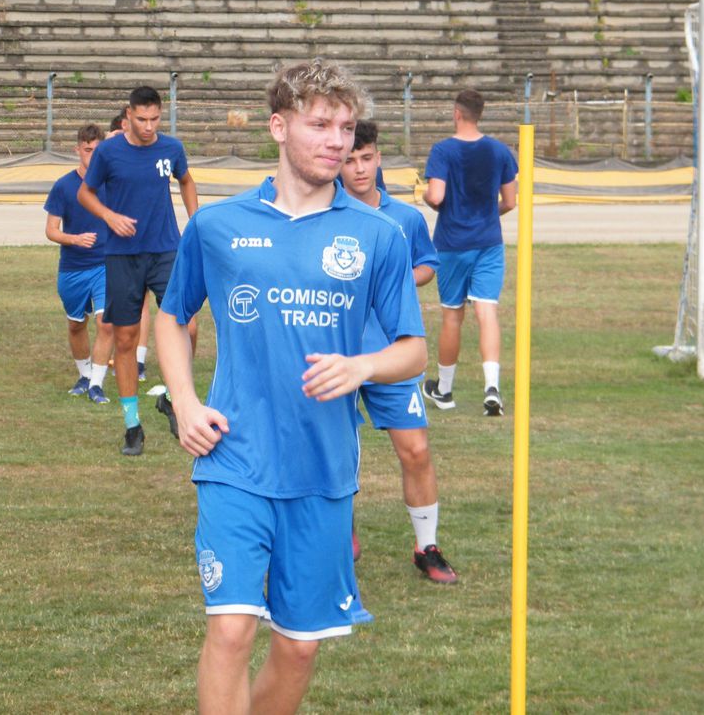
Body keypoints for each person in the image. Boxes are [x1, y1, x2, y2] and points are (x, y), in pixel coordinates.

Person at [155, 59, 426, 713]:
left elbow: (412, 349)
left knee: (300, 645)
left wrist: (362, 367)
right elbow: (171, 316)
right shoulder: (218, 226)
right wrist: (186, 400)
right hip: (234, 459)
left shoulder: (377, 236)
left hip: (323, 469)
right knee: (231, 627)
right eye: (320, 124)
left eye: (346, 127)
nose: (336, 140)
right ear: (279, 126)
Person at [339, 119, 458, 583]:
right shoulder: (326, 214)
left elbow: (427, 264)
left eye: (366, 158)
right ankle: (341, 533)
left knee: (416, 450)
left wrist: (395, 284)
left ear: (378, 158)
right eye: (350, 159)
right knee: (336, 451)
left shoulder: (405, 218)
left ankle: (426, 545)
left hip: (394, 354)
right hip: (336, 355)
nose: (359, 168)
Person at [78, 86, 198, 455]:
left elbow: (186, 181)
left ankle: (175, 400)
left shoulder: (171, 149)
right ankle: (133, 426)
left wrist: (197, 224)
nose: (149, 127)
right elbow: (86, 193)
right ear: (128, 115)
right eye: (142, 119)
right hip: (123, 255)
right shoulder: (110, 151)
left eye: (155, 119)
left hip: (166, 250)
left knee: (187, 325)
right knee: (126, 338)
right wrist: (109, 216)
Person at [421, 88, 518, 417]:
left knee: (452, 315)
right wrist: (488, 216)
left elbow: (436, 196)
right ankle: (492, 386)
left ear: (456, 113)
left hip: (452, 243)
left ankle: (444, 389)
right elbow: (510, 202)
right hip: (489, 242)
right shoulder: (499, 151)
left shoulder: (443, 151)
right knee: (487, 311)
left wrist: (424, 196)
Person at [44, 124, 114, 404]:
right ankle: (84, 376)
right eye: (87, 150)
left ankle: (97, 384)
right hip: (72, 268)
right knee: (76, 325)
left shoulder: (112, 182)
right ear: (77, 150)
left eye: (98, 150)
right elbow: (51, 230)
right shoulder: (63, 186)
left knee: (105, 323)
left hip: (105, 265)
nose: (92, 155)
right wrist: (74, 239)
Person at [109, 109, 153, 384]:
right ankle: (118, 358)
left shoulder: (143, 160)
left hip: (137, 246)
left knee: (141, 304)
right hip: (108, 245)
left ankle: (136, 359)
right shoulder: (107, 160)